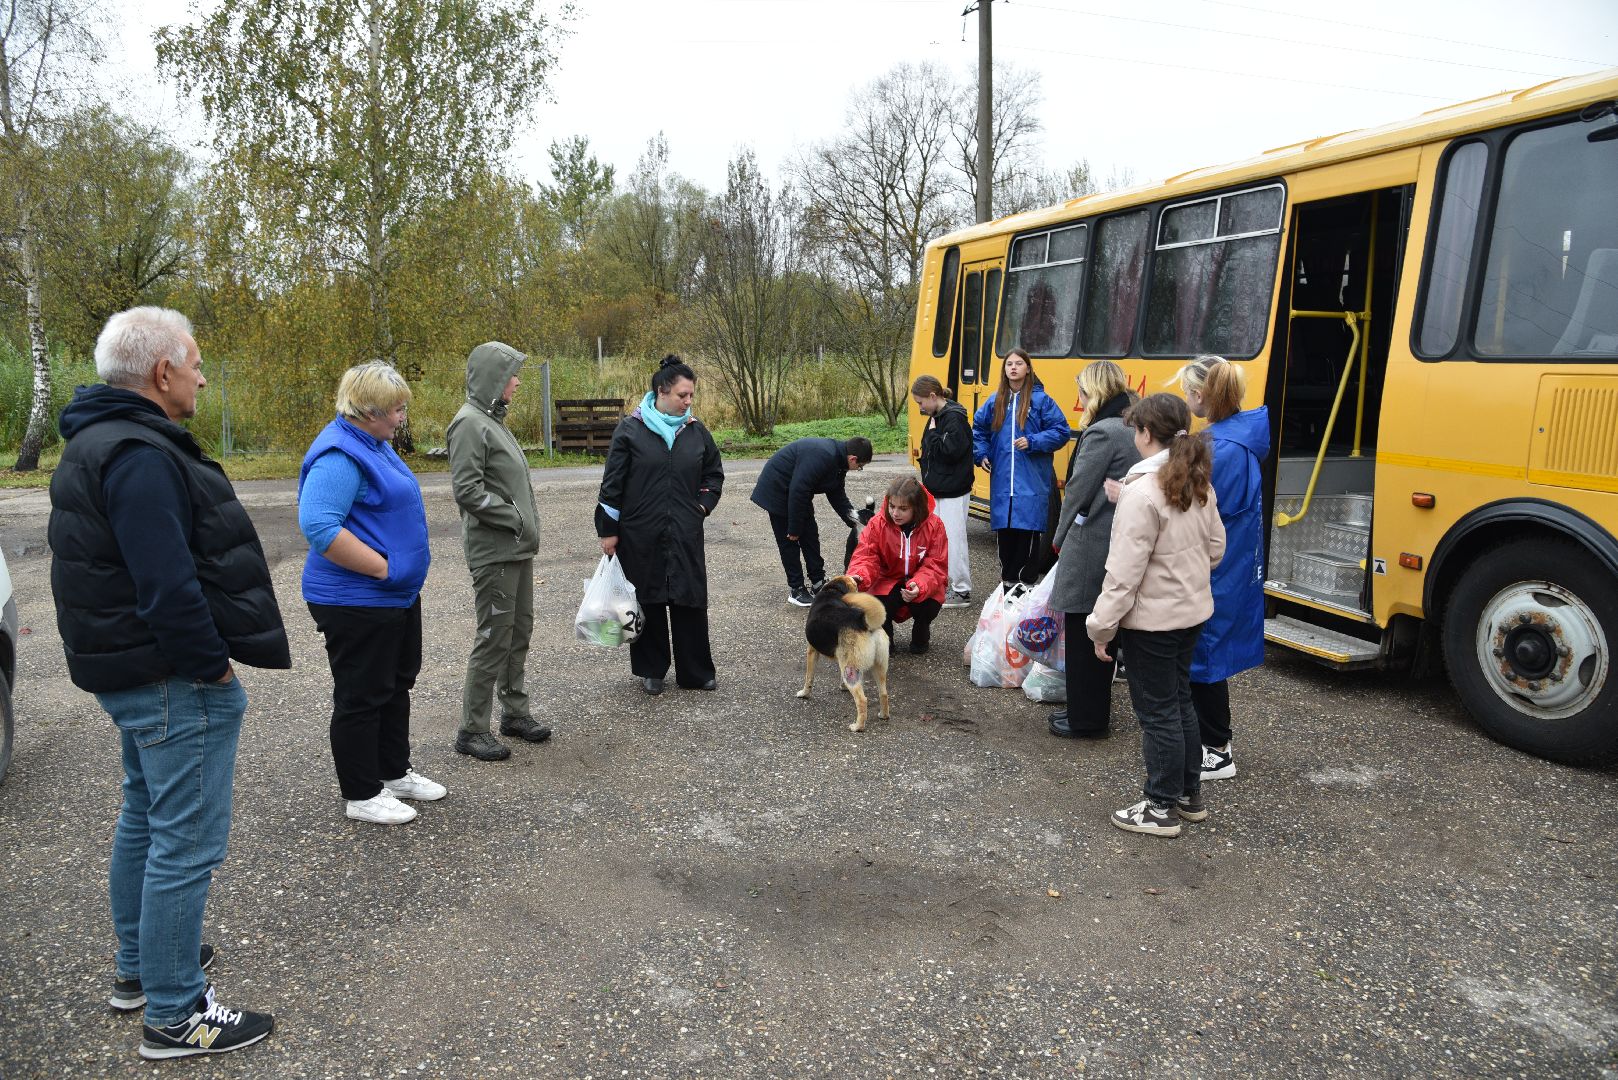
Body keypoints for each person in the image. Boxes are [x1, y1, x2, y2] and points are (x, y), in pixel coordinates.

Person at [48, 307, 288, 1059]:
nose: (202, 378)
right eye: (196, 364)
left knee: (146, 816)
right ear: (162, 372)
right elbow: (166, 583)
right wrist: (212, 666)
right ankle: (176, 1012)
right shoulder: (140, 454)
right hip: (169, 677)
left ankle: (140, 967)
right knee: (185, 842)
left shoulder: (96, 439)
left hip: (129, 671)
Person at [299, 361, 444, 823]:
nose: (402, 418)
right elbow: (319, 526)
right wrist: (385, 569)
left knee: (395, 685)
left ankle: (393, 772)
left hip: (393, 596)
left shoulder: (374, 443)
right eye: (396, 410)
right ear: (367, 411)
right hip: (355, 598)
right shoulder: (340, 455)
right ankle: (362, 793)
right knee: (361, 695)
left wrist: (398, 577)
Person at [1086, 393, 1225, 838]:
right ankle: (1187, 795)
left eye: (1136, 429)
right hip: (1191, 613)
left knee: (1157, 712)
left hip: (1152, 622)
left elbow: (1122, 574)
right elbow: (1216, 549)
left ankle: (1160, 805)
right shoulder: (1198, 481)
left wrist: (1100, 627)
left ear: (1146, 433)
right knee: (1180, 701)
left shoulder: (1141, 491)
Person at [597, 355, 726, 694]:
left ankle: (695, 672)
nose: (688, 401)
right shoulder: (631, 429)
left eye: (691, 395)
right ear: (661, 392)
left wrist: (702, 506)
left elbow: (713, 474)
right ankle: (652, 670)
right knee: (648, 597)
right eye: (683, 395)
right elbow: (612, 484)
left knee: (689, 598)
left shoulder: (696, 431)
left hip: (684, 529)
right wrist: (608, 530)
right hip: (640, 532)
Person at [446, 341, 550, 761]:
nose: (518, 382)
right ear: (494, 378)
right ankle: (472, 729)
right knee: (493, 636)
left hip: (516, 548)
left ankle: (514, 712)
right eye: (512, 375)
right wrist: (515, 518)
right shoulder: (469, 424)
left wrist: (520, 526)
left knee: (518, 630)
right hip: (495, 551)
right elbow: (467, 490)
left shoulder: (491, 420)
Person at [1176, 355, 1270, 782]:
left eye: (1187, 392)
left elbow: (1199, 508)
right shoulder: (1237, 437)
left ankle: (1216, 748)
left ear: (1200, 395)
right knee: (1206, 652)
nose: (1185, 399)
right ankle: (1212, 742)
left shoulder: (1220, 447)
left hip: (1215, 566)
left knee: (1205, 654)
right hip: (1231, 561)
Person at [1046, 360, 1140, 739]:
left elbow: (1077, 491)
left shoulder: (1102, 432)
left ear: (1094, 392)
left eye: (1082, 392)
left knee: (1084, 631)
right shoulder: (1133, 426)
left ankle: (1085, 719)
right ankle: (1087, 710)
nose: (1080, 400)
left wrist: (1057, 538)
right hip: (1119, 541)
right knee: (1104, 632)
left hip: (1092, 545)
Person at [971, 348, 1071, 586]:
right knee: (1006, 540)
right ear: (1004, 370)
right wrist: (981, 454)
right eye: (1009, 364)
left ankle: (1025, 587)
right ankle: (1007, 588)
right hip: (1003, 484)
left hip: (1030, 483)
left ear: (1028, 369)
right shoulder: (995, 400)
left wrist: (1033, 441)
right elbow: (979, 429)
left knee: (1027, 538)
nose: (1013, 368)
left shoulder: (1041, 401)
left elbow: (1061, 431)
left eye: (1018, 363)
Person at [750, 435, 873, 606]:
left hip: (798, 493)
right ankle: (796, 589)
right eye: (860, 466)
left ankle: (818, 582)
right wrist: (794, 528)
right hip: (777, 489)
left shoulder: (839, 462)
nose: (858, 469)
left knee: (810, 536)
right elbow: (798, 489)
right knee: (789, 542)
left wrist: (854, 522)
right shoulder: (824, 456)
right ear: (853, 459)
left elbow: (837, 494)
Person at [847, 475, 950, 654]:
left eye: (903, 508)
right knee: (873, 603)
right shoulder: (877, 524)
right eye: (892, 506)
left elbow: (936, 564)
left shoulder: (935, 525)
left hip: (918, 582)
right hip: (887, 580)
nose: (895, 513)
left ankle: (921, 634)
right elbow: (866, 556)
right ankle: (884, 638)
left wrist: (919, 585)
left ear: (917, 507)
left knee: (931, 599)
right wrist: (859, 576)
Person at [912, 374, 974, 608]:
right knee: (937, 541)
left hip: (952, 490)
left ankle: (961, 589)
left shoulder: (953, 419)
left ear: (932, 396)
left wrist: (933, 435)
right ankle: (942, 583)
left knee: (954, 540)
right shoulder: (937, 416)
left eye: (920, 402)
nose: (920, 407)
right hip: (939, 488)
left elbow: (949, 451)